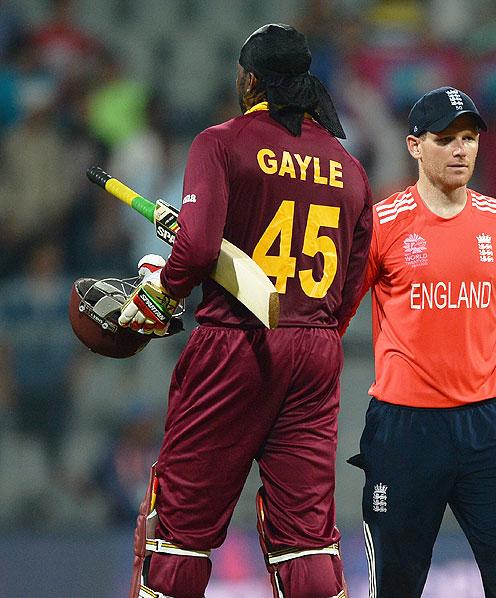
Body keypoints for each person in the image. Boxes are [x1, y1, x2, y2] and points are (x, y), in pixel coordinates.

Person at [117, 24, 372, 598]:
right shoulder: (349, 167)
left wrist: (161, 291)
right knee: (305, 537)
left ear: (250, 79)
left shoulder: (221, 142)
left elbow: (199, 247)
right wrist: (310, 338)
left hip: (236, 343)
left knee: (178, 527)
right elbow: (352, 283)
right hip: (316, 351)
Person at [343, 87, 496, 597]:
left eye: (469, 138)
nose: (460, 150)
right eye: (445, 138)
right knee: (395, 586)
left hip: (488, 426)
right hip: (404, 431)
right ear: (414, 146)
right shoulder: (382, 224)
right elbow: (334, 318)